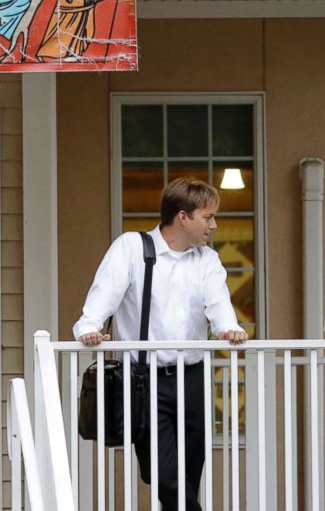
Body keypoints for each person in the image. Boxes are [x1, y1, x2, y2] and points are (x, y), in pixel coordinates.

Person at [74, 177, 247, 511]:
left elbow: (219, 304)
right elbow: (102, 297)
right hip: (144, 380)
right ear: (183, 217)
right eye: (207, 217)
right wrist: (89, 328)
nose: (214, 224)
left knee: (189, 472)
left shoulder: (207, 259)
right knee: (165, 475)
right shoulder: (132, 248)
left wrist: (229, 328)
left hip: (193, 378)